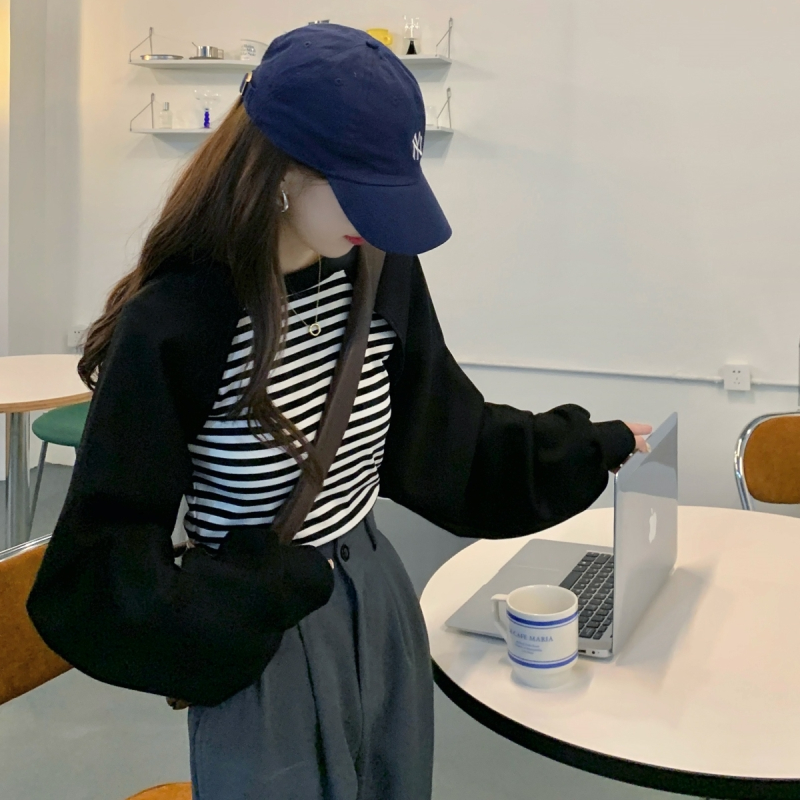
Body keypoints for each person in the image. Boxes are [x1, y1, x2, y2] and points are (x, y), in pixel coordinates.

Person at [27, 23, 651, 800]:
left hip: (379, 601)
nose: (375, 218)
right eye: (359, 188)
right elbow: (104, 556)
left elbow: (445, 431)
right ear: (281, 168)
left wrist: (587, 445)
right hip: (263, 632)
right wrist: (241, 596)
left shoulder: (378, 269)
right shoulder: (181, 319)